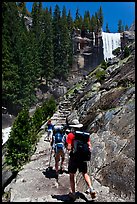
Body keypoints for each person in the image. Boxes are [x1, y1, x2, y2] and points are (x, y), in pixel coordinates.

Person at [66, 119, 96, 200]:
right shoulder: (85, 135)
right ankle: (91, 188)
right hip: (83, 158)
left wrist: (70, 148)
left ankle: (73, 193)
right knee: (85, 173)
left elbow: (69, 148)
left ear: (73, 127)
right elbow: (89, 146)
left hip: (74, 158)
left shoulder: (70, 135)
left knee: (72, 175)